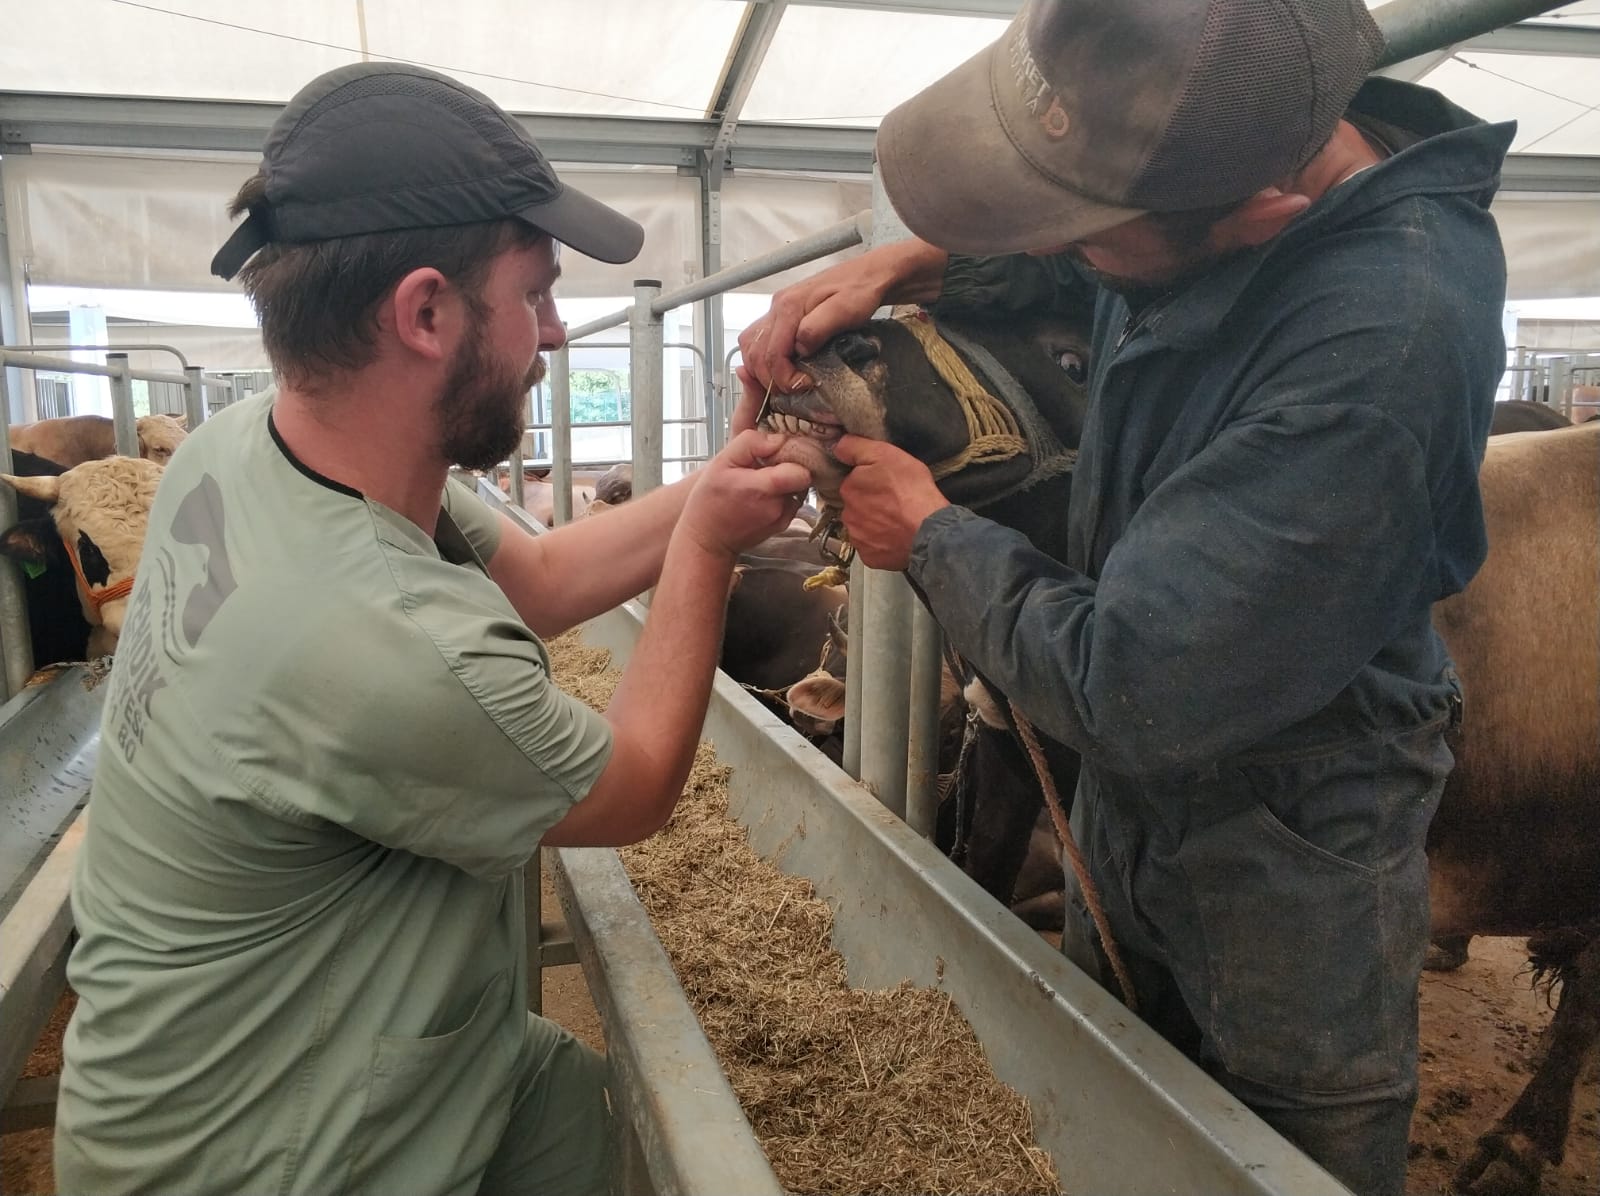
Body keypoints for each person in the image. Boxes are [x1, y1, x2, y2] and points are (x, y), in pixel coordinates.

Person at [738, 1, 1512, 1192]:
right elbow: (1103, 245)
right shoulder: (1223, 161)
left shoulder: (1380, 346)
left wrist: (933, 537)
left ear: (1259, 214)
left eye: (1092, 235)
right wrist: (923, 258)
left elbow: (1137, 685)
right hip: (1139, 796)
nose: (1079, 254)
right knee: (1119, 1095)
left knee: (1277, 1148)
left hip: (1286, 835)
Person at [54, 63, 810, 1196]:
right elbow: (641, 785)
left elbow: (546, 576)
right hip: (258, 1152)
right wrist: (706, 547)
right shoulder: (386, 645)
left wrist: (718, 483)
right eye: (538, 295)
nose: (555, 334)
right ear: (423, 312)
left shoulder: (260, 445)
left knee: (574, 1109)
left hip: (234, 1061)